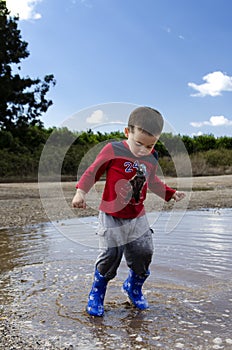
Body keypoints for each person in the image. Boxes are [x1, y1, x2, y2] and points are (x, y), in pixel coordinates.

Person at [72, 106, 185, 317]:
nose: (143, 150)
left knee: (144, 252)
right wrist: (80, 192)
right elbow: (93, 171)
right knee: (110, 255)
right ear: (127, 133)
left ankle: (133, 286)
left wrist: (170, 193)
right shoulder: (113, 150)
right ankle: (97, 292)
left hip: (137, 215)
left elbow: (152, 181)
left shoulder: (152, 157)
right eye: (139, 143)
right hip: (111, 215)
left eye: (150, 145)